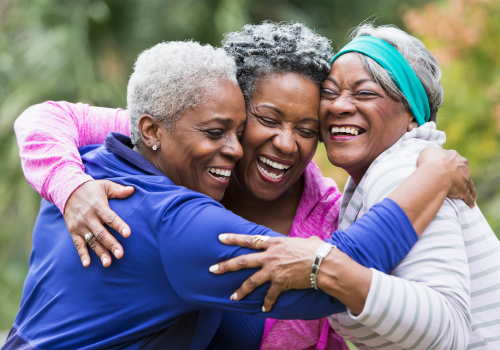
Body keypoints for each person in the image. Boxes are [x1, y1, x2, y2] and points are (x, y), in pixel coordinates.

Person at [12, 23, 476, 350]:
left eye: (308, 128)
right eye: (264, 120)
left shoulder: (103, 161)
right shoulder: (170, 213)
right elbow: (334, 278)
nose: (232, 148)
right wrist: (433, 177)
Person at [213, 24, 500, 350]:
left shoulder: (406, 171)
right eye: (331, 93)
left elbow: (447, 326)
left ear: (413, 117)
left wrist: (320, 264)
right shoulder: (375, 188)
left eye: (364, 93)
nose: (338, 106)